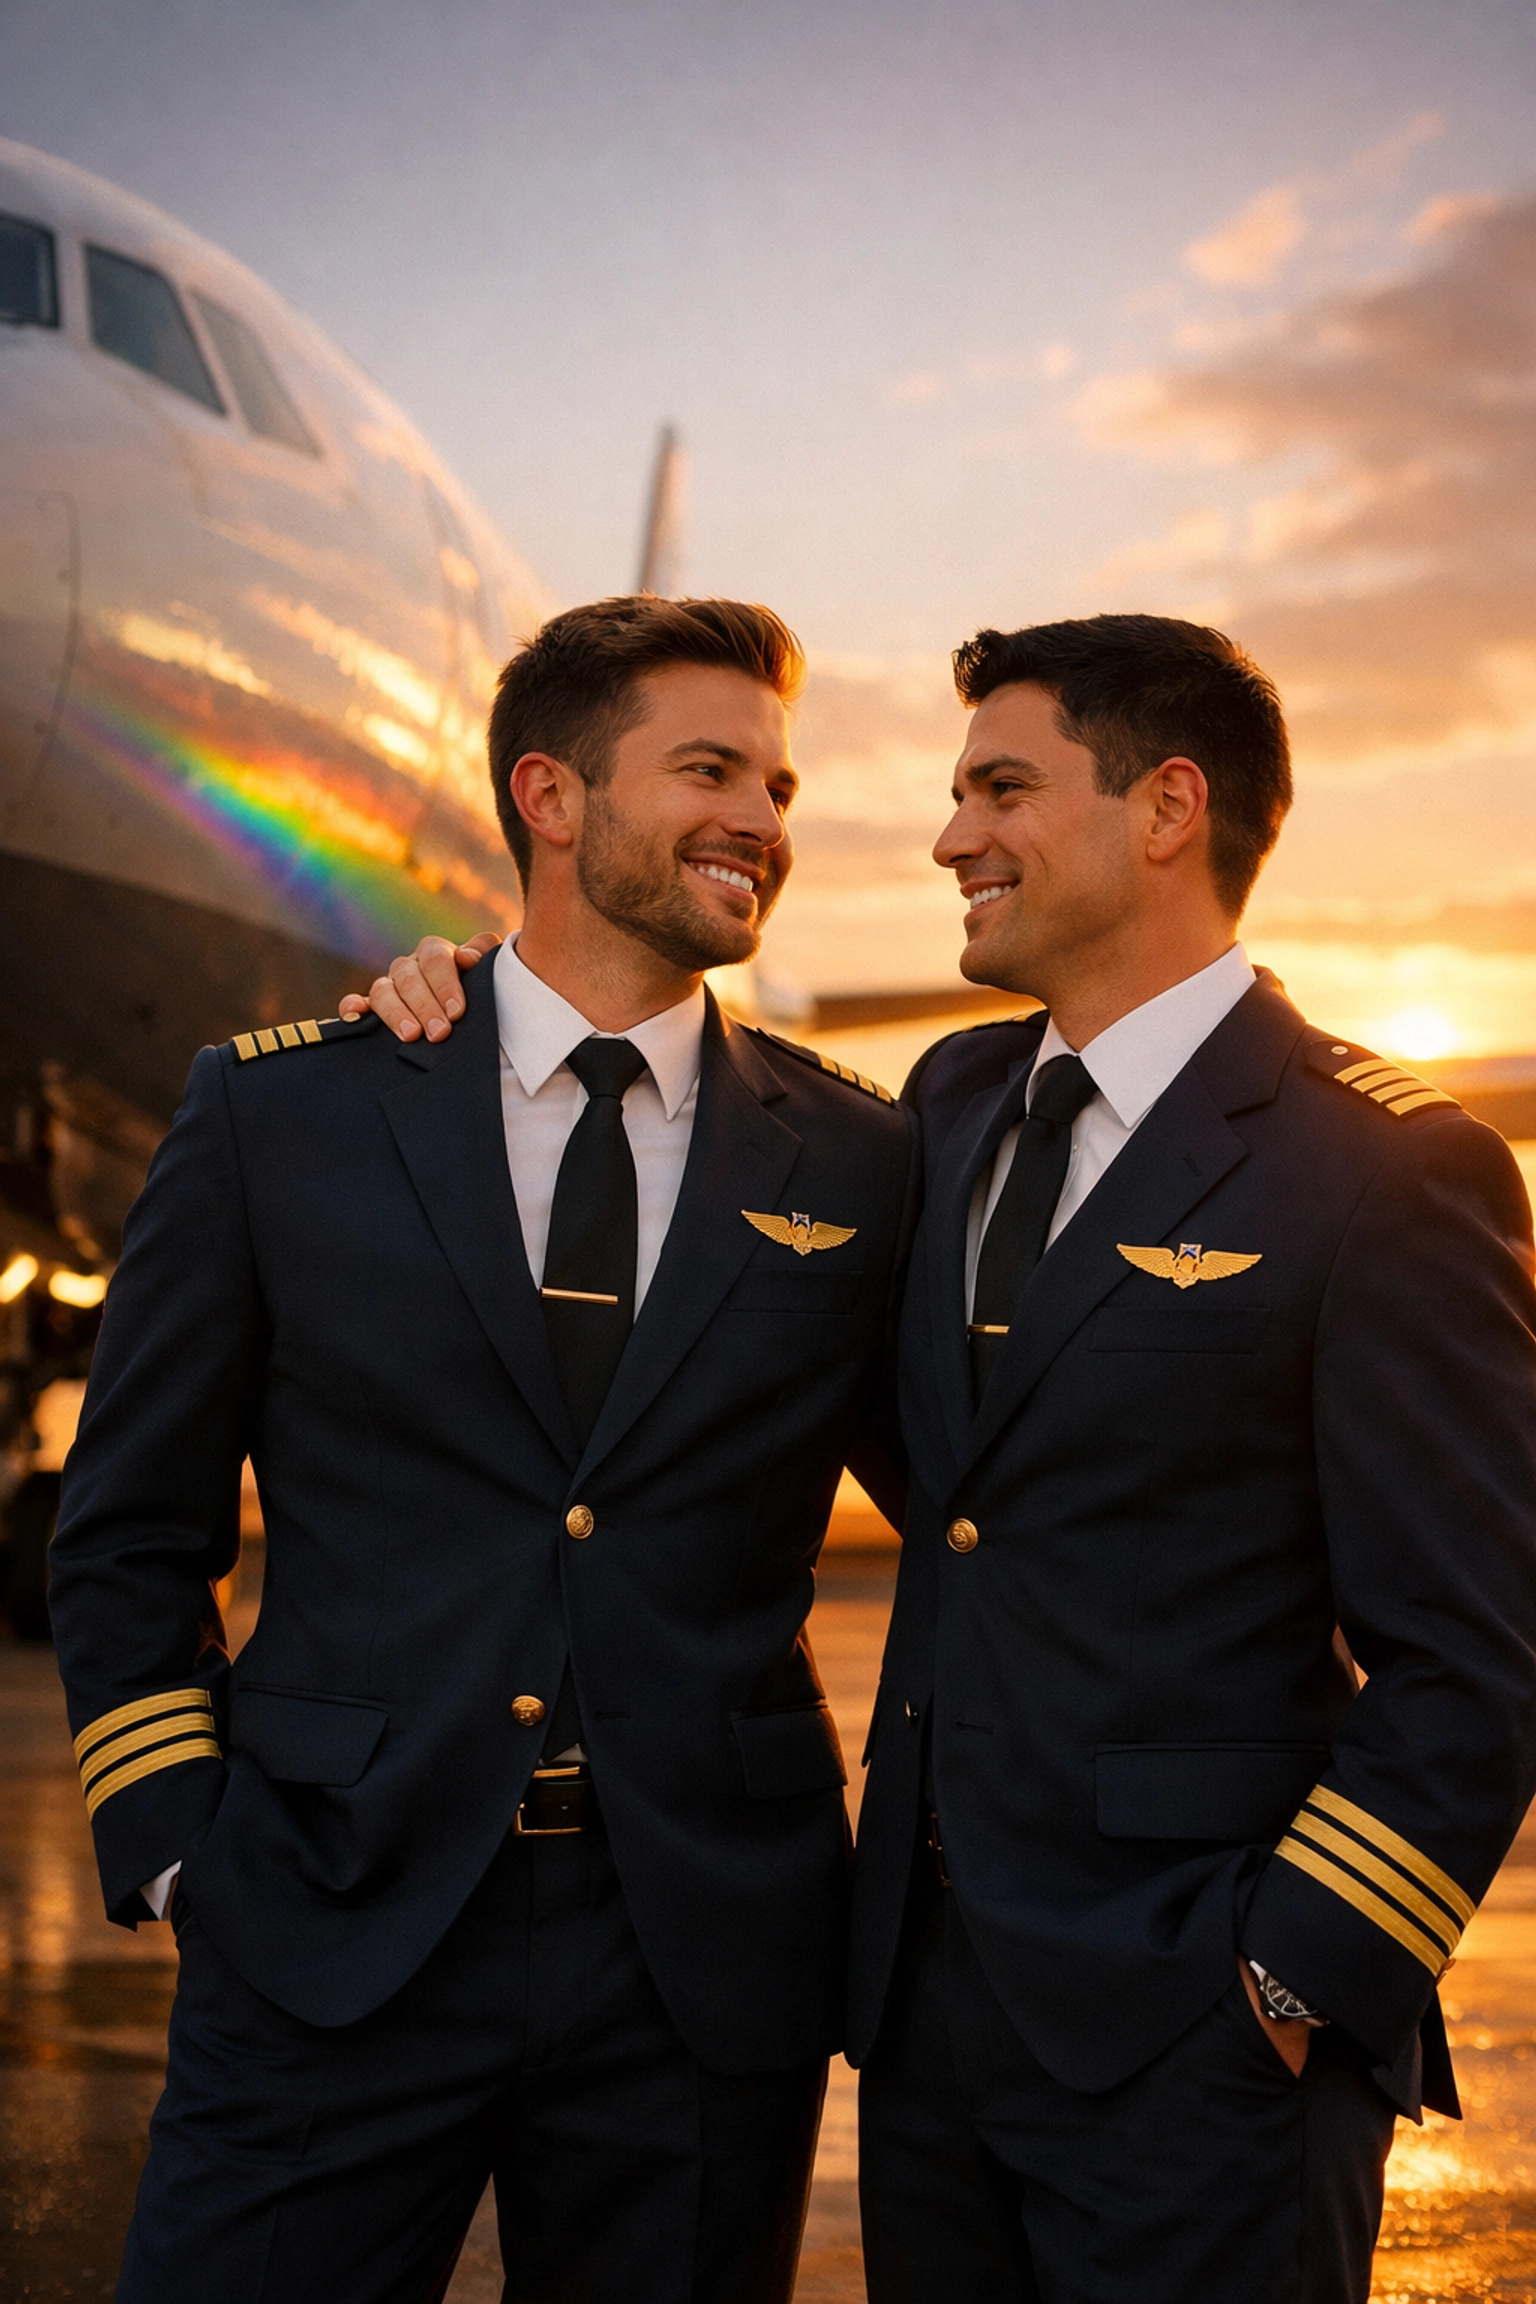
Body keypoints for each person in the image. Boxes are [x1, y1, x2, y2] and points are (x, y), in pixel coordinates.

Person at [367, 610, 1536, 2301]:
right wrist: (456, 1009)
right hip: (926, 2031)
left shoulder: (1383, 1168)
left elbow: (1483, 1659)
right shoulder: (951, 1111)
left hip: (1200, 2040)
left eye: (1000, 787)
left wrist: (1293, 1978)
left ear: (1166, 808)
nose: (947, 837)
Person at [49, 595, 916, 2304]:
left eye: (783, 784)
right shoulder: (279, 1112)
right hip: (327, 1924)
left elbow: (994, 1506)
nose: (764, 816)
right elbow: (128, 1526)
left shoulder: (861, 1159)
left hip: (701, 1966)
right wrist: (177, 1843)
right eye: (711, 767)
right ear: (551, 793)